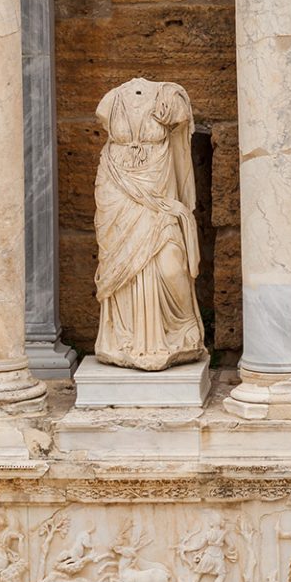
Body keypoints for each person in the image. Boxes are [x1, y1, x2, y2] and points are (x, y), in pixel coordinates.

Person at [92, 79, 204, 371]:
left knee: (170, 264)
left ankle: (182, 328)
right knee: (122, 266)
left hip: (158, 189)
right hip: (116, 187)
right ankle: (123, 339)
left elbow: (181, 122)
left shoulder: (169, 97)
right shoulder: (111, 100)